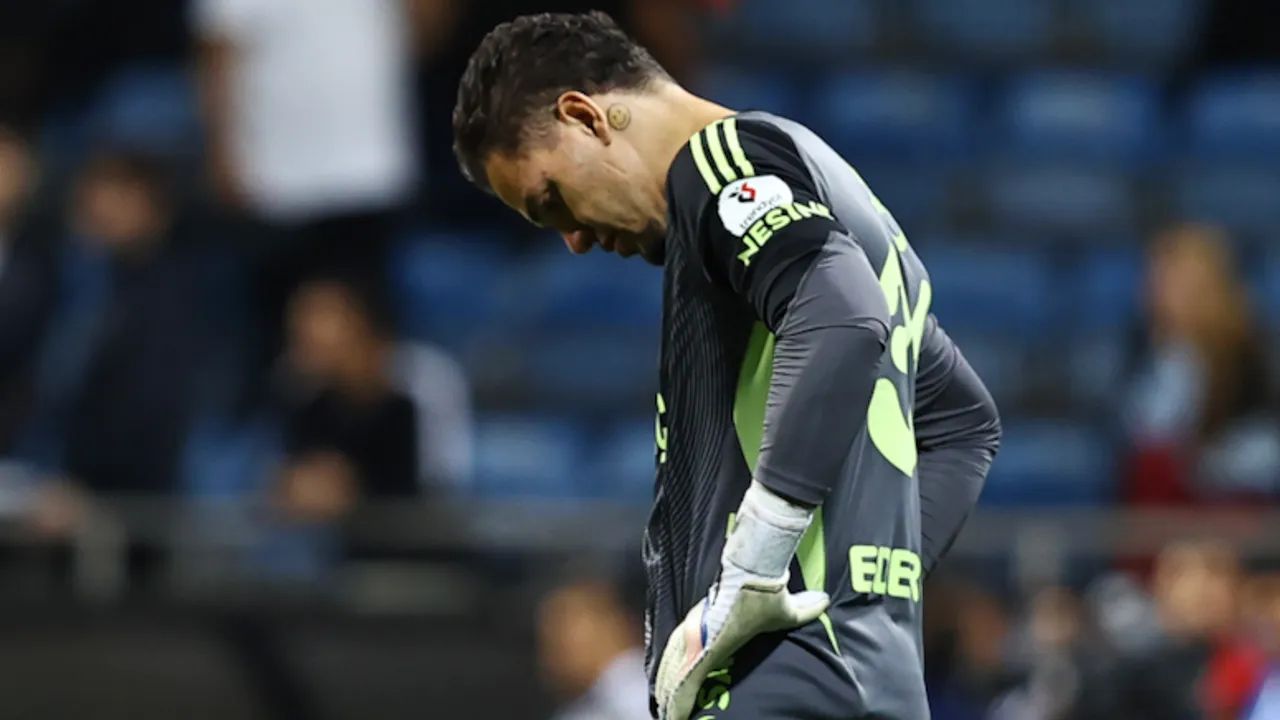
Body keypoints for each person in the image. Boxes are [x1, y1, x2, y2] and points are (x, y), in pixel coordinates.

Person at [451, 12, 1001, 720]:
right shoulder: (833, 191)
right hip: (865, 682)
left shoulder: (720, 163)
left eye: (552, 200)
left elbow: (842, 316)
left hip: (770, 687)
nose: (575, 239)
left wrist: (756, 567)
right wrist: (853, 595)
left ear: (585, 117)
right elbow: (962, 423)